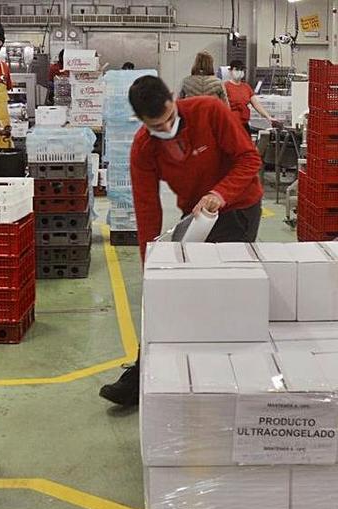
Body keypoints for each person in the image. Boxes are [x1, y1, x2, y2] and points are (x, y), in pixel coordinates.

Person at [98, 76, 265, 406]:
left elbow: (249, 159)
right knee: (175, 292)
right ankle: (144, 372)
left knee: (221, 292)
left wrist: (221, 193)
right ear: (143, 123)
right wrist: (153, 267)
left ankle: (225, 373)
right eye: (157, 126)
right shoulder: (143, 149)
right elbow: (147, 210)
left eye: (170, 118)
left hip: (239, 209)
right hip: (198, 218)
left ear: (173, 100)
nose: (167, 127)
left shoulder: (209, 111)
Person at [224, 59, 277, 133]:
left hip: (244, 124)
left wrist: (268, 117)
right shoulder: (225, 87)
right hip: (230, 125)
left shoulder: (246, 87)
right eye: (237, 69)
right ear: (230, 71)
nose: (239, 72)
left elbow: (256, 105)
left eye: (241, 70)